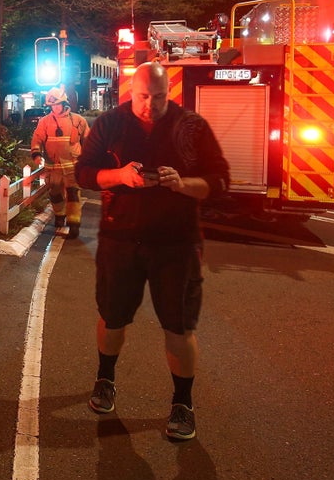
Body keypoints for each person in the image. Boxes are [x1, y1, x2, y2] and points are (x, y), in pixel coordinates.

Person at [75, 62, 230, 442]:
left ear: (168, 93)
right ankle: (105, 378)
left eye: (159, 97)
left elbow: (220, 180)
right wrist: (119, 176)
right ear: (131, 90)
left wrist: (183, 184)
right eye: (144, 96)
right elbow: (82, 173)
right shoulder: (110, 123)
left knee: (179, 327)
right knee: (112, 318)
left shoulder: (192, 126)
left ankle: (183, 403)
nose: (150, 105)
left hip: (177, 243)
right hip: (120, 239)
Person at [29, 86, 90, 238]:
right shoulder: (44, 122)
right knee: (55, 194)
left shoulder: (78, 121)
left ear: (64, 104)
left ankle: (74, 225)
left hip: (73, 168)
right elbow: (37, 140)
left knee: (73, 195)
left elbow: (89, 141)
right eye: (52, 106)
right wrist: (37, 155)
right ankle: (59, 216)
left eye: (57, 105)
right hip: (53, 168)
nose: (55, 108)